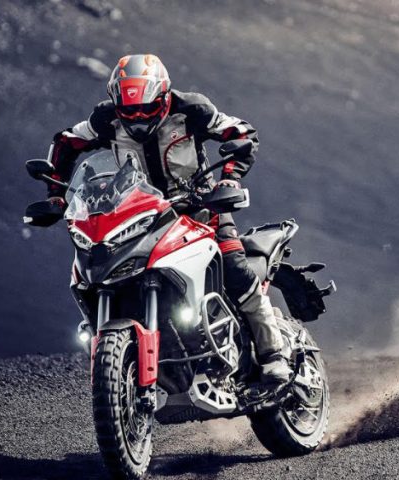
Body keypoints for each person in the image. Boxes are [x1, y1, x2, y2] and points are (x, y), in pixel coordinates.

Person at [44, 54, 292, 383]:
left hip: (199, 208)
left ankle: (274, 354)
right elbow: (65, 143)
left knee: (234, 267)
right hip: (140, 214)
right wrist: (56, 194)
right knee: (105, 270)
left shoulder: (192, 109)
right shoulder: (105, 120)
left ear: (163, 96)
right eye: (130, 111)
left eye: (146, 108)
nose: (138, 117)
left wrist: (230, 178)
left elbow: (241, 132)